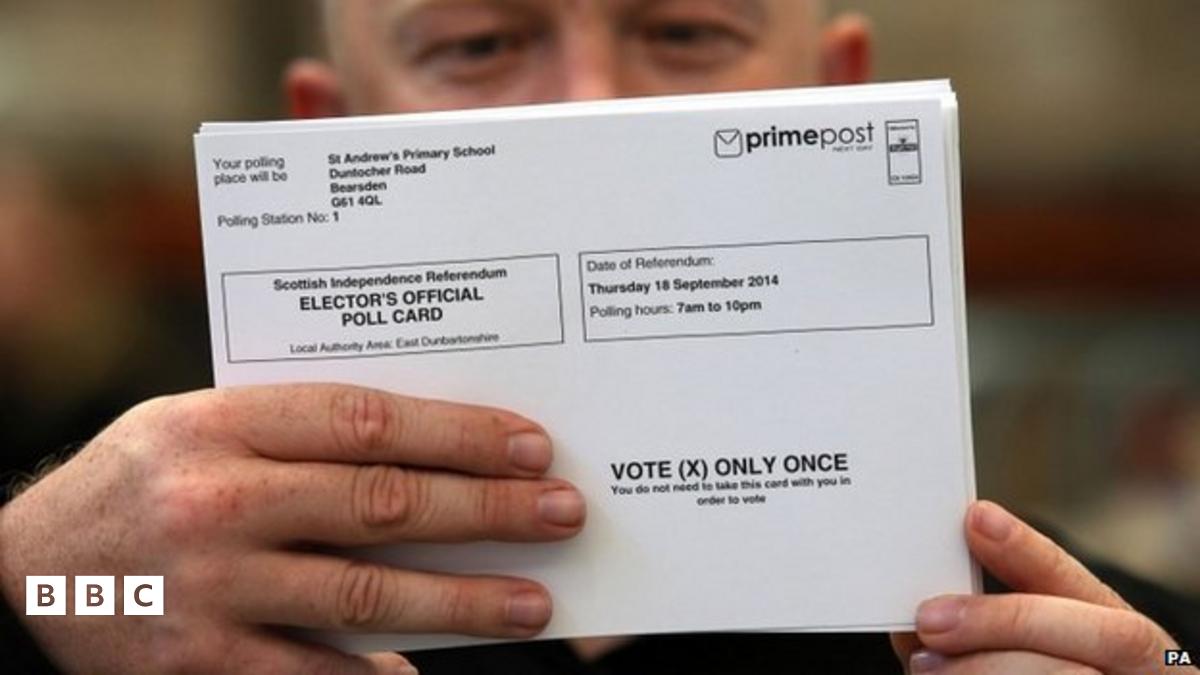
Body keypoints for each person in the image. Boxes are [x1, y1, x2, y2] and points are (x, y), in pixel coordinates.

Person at [1, 1, 1195, 673]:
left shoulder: (1079, 626)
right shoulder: (161, 600)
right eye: (477, 45)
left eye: (685, 31)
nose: (592, 105)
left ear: (842, 93)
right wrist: (27, 589)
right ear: (332, 127)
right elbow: (70, 595)